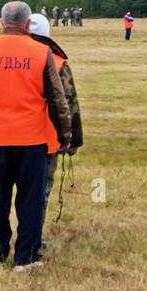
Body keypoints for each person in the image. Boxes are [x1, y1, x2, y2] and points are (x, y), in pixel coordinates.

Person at [0, 1, 70, 271]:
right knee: (30, 200)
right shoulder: (41, 52)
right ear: (28, 24)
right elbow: (58, 100)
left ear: (1, 23)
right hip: (32, 141)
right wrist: (65, 134)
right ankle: (26, 257)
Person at [27, 13, 84, 229]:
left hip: (8, 138)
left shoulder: (11, 59)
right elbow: (70, 103)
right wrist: (73, 140)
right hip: (46, 139)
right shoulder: (58, 62)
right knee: (40, 190)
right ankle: (32, 240)